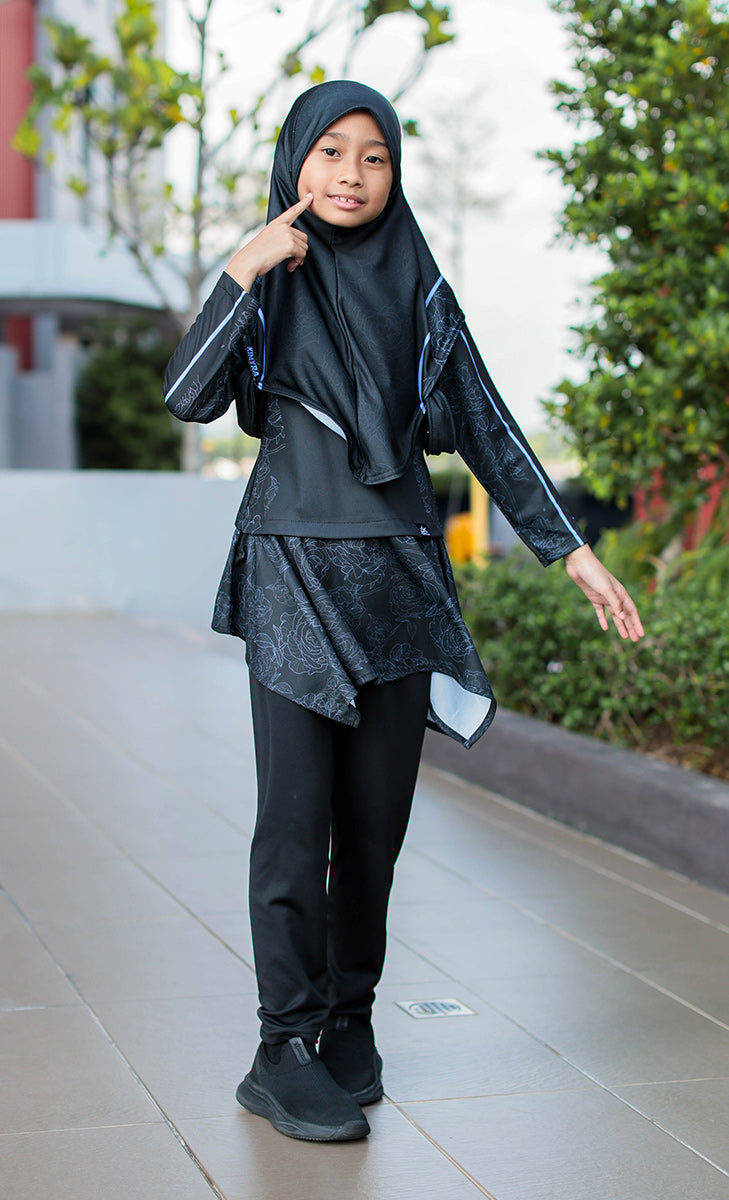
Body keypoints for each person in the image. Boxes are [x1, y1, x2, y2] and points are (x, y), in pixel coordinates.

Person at [163, 80, 644, 1144]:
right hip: (293, 574)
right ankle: (281, 1048)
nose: (351, 173)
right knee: (296, 827)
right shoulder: (266, 283)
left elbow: (487, 422)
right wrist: (240, 271)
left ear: (394, 172)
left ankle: (349, 1020)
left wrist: (569, 549)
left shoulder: (422, 289)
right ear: (295, 163)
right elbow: (189, 397)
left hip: (400, 581)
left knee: (374, 828)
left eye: (373, 155)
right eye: (330, 151)